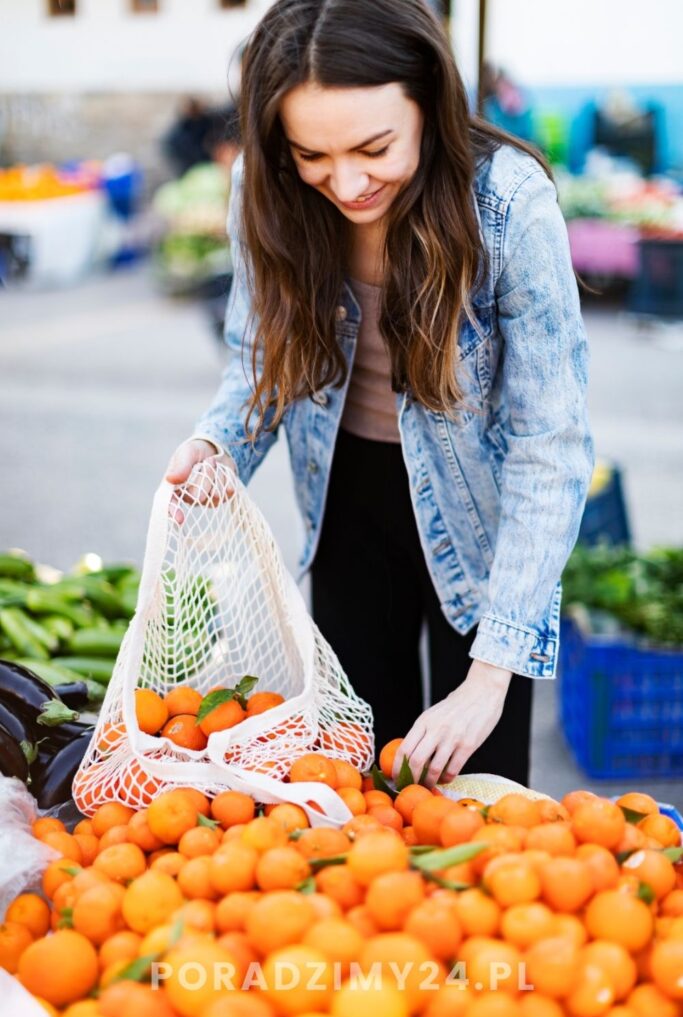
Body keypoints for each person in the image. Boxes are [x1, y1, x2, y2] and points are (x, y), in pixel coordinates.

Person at [163, 0, 594, 790]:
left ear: (428, 104)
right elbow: (259, 358)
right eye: (312, 156)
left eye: (374, 147)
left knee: (475, 800)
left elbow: (550, 444)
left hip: (485, 524)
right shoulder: (261, 189)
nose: (348, 182)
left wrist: (490, 676)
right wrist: (217, 443)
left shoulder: (506, 203)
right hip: (344, 505)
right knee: (360, 785)